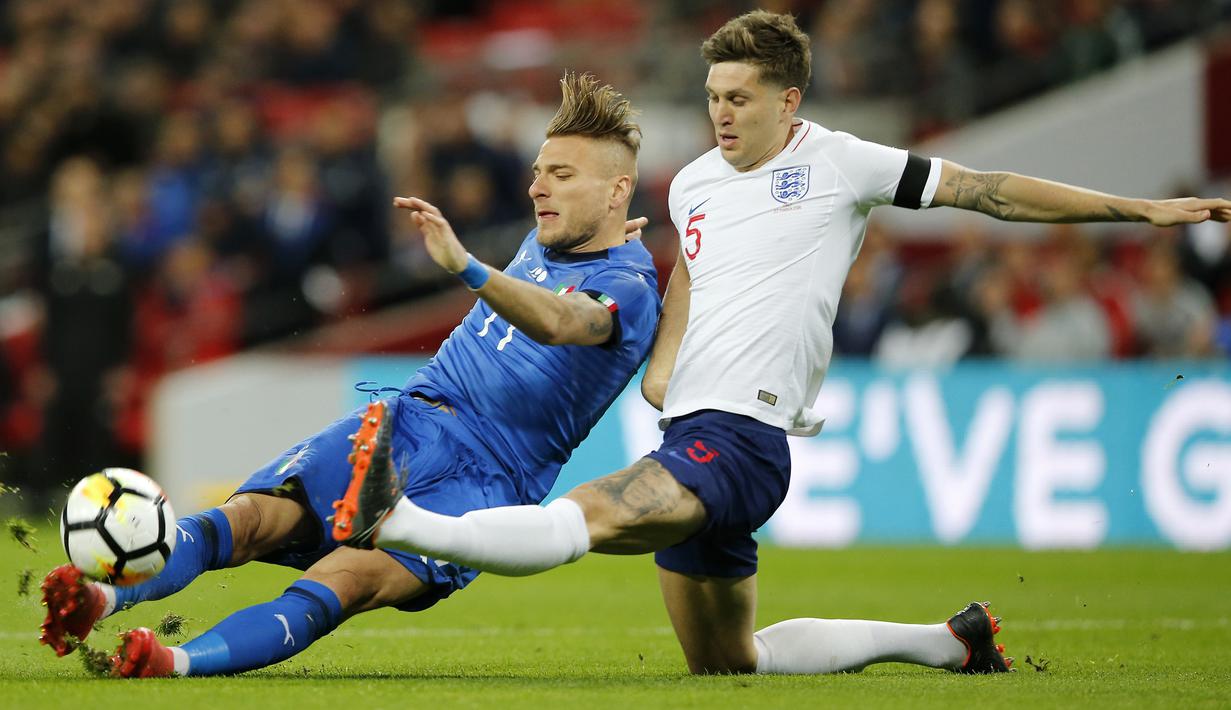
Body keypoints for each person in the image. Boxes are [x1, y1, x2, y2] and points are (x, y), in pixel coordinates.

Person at [336, 10, 1231, 676]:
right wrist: (660, 367)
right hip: (688, 425)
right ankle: (946, 645)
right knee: (732, 666)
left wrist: (1140, 208)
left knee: (588, 515)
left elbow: (989, 190)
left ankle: (401, 520)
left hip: (742, 438)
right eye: (712, 97)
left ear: (787, 100)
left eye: (739, 99)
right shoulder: (690, 183)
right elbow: (687, 269)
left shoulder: (842, 162)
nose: (720, 115)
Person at [38, 72, 662, 678]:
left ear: (616, 191)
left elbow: (563, 321)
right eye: (536, 174)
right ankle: (103, 599)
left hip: (488, 479)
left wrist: (467, 268)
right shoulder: (551, 236)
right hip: (407, 416)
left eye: (561, 175)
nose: (537, 189)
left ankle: (170, 662)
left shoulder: (628, 288)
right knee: (251, 518)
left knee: (347, 577)